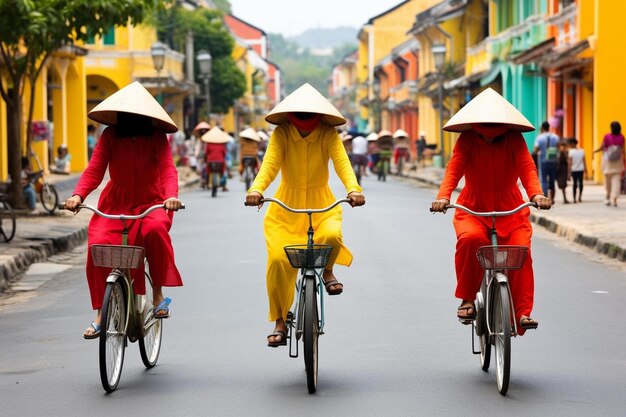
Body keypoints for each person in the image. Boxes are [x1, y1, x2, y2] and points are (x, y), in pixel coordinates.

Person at [245, 83, 365, 347]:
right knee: (277, 260)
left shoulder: (328, 133)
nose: (304, 121)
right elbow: (270, 165)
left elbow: (342, 162)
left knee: (331, 234)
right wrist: (256, 188)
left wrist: (353, 189)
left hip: (322, 203)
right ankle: (279, 320)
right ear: (289, 115)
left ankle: (328, 271)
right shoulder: (282, 133)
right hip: (285, 208)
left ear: (320, 115)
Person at [63, 81, 184, 339]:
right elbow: (95, 169)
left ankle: (158, 294)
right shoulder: (109, 136)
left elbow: (167, 169)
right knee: (98, 245)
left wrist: (171, 196)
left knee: (154, 231)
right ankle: (100, 314)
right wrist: (78, 194)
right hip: (115, 202)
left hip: (151, 202)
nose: (129, 118)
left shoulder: (156, 137)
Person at [430, 88, 551, 334]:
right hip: (472, 207)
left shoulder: (514, 139)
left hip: (511, 209)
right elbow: (454, 169)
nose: (488, 129)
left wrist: (536, 194)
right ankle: (466, 298)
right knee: (470, 240)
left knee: (521, 251)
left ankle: (522, 313)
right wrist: (443, 196)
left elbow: (527, 168)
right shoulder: (467, 140)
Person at [594, 121, 625, 206]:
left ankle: (607, 197)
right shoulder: (622, 137)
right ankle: (614, 199)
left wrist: (595, 151)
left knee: (607, 181)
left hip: (607, 161)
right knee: (616, 181)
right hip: (618, 161)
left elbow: (602, 147)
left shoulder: (607, 136)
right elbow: (623, 150)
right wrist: (624, 160)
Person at [533, 121, 560, 203]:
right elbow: (558, 148)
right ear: (549, 127)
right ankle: (553, 198)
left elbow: (535, 150)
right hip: (553, 160)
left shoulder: (540, 137)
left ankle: (546, 198)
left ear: (542, 128)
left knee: (544, 180)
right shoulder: (555, 137)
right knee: (552, 180)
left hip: (543, 161)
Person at [202, 126, 230, 192]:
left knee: (207, 171)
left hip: (210, 161)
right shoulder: (222, 144)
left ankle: (206, 183)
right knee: (223, 172)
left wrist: (205, 159)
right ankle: (224, 186)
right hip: (220, 161)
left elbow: (206, 153)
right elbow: (224, 154)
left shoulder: (209, 144)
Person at [568, 137, 587, 203]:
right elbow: (584, 161)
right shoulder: (582, 150)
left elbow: (570, 163)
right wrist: (586, 169)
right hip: (581, 170)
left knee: (575, 184)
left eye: (570, 144)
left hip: (574, 170)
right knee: (581, 183)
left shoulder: (571, 152)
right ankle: (579, 197)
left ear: (572, 144)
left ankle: (574, 199)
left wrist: (569, 173)